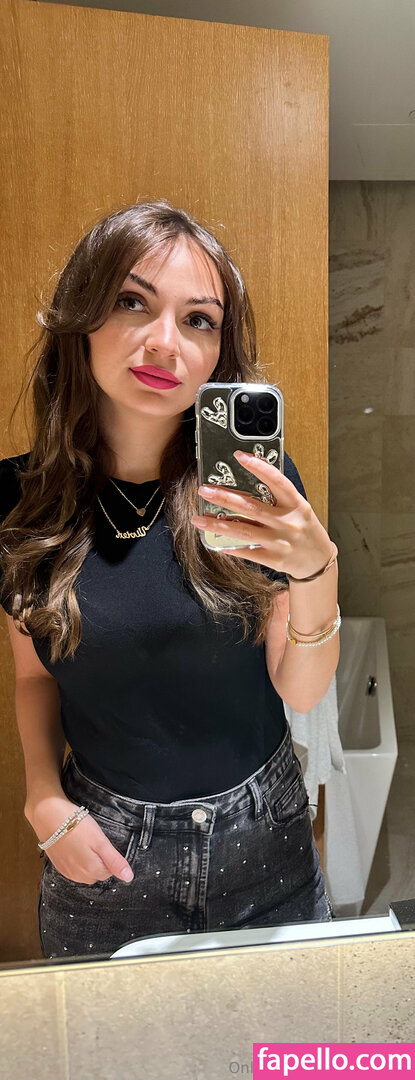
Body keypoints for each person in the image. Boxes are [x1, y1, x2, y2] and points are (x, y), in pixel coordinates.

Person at [0, 199, 339, 960]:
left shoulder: (251, 487)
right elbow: (34, 676)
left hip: (265, 838)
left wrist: (318, 569)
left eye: (198, 320)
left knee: (283, 1035)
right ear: (83, 316)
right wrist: (43, 797)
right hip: (103, 851)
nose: (165, 342)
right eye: (132, 302)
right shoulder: (18, 503)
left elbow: (302, 690)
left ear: (219, 351)